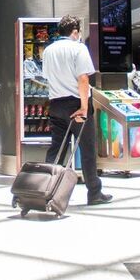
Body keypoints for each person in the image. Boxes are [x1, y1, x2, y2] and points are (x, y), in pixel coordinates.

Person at [42, 15, 112, 206]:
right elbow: (83, 79)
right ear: (75, 32)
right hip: (76, 104)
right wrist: (83, 106)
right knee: (87, 149)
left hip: (56, 104)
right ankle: (94, 193)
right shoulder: (78, 48)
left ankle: (46, 188)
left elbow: (46, 77)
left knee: (56, 150)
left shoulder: (48, 51)